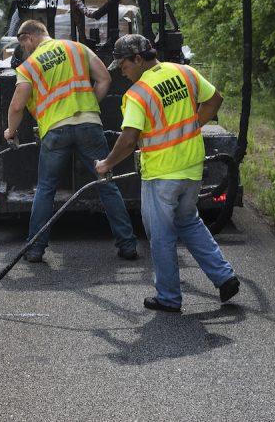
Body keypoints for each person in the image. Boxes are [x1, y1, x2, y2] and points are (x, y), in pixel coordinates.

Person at [95, 34, 239, 311]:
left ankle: (169, 298)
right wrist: (191, 127)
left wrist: (106, 165)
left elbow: (128, 139)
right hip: (192, 166)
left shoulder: (138, 94)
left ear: (138, 59)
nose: (122, 72)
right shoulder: (185, 72)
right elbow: (215, 99)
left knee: (161, 235)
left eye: (123, 65)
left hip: (162, 173)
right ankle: (224, 277)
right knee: (188, 221)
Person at [5, 20, 138, 263]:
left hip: (55, 131)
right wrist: (89, 107)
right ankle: (127, 245)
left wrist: (10, 131)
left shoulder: (29, 66)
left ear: (29, 38)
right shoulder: (77, 48)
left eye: (22, 43)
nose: (23, 48)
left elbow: (16, 105)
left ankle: (35, 249)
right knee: (106, 184)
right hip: (89, 126)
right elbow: (105, 79)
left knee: (45, 189)